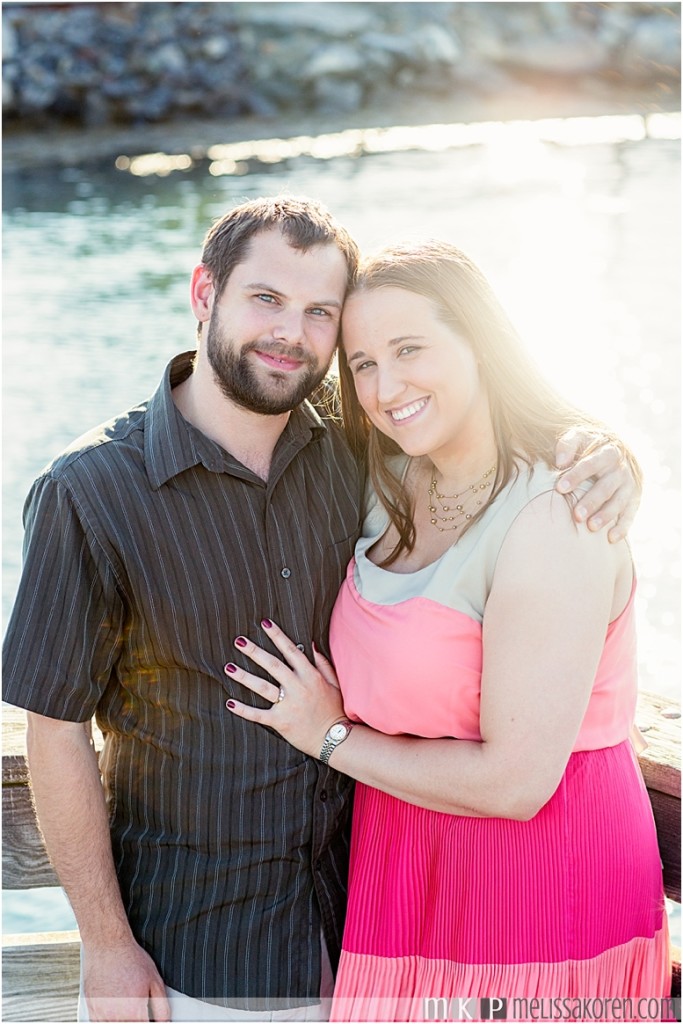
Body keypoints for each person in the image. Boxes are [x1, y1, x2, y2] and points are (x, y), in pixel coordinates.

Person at [2, 199, 641, 1024]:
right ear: (204, 293)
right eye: (265, 299)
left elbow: (487, 446)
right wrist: (104, 941)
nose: (289, 333)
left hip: (367, 931)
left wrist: (609, 455)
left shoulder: (357, 453)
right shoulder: (90, 491)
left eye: (318, 313)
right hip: (200, 954)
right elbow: (52, 727)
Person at [224, 240, 670, 1022]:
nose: (385, 386)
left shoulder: (556, 515)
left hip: (537, 879)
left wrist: (325, 735)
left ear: (481, 342)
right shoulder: (387, 477)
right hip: (403, 863)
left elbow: (515, 784)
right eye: (361, 363)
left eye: (409, 349)